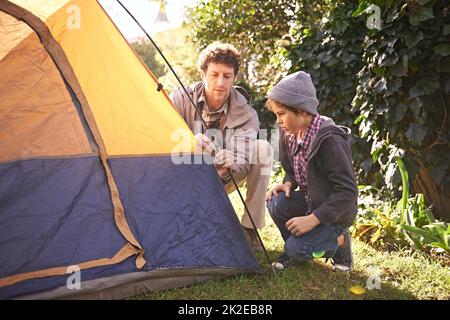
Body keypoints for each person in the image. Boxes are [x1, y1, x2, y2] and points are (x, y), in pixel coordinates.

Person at [171, 42, 273, 251]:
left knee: (264, 148)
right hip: (183, 175)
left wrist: (227, 169)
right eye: (214, 74)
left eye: (227, 76)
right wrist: (190, 143)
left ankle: (249, 229)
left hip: (224, 177)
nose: (220, 82)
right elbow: (162, 139)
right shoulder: (180, 99)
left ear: (234, 77)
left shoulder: (246, 113)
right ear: (203, 74)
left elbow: (243, 160)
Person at [265, 71, 358, 272]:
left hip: (334, 215)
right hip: (311, 202)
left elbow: (348, 192)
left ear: (302, 111)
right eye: (276, 115)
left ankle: (339, 241)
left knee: (297, 250)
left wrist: (312, 220)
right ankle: (299, 247)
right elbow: (293, 169)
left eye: (281, 114)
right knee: (275, 201)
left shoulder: (330, 140)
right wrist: (288, 182)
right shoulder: (289, 133)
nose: (278, 121)